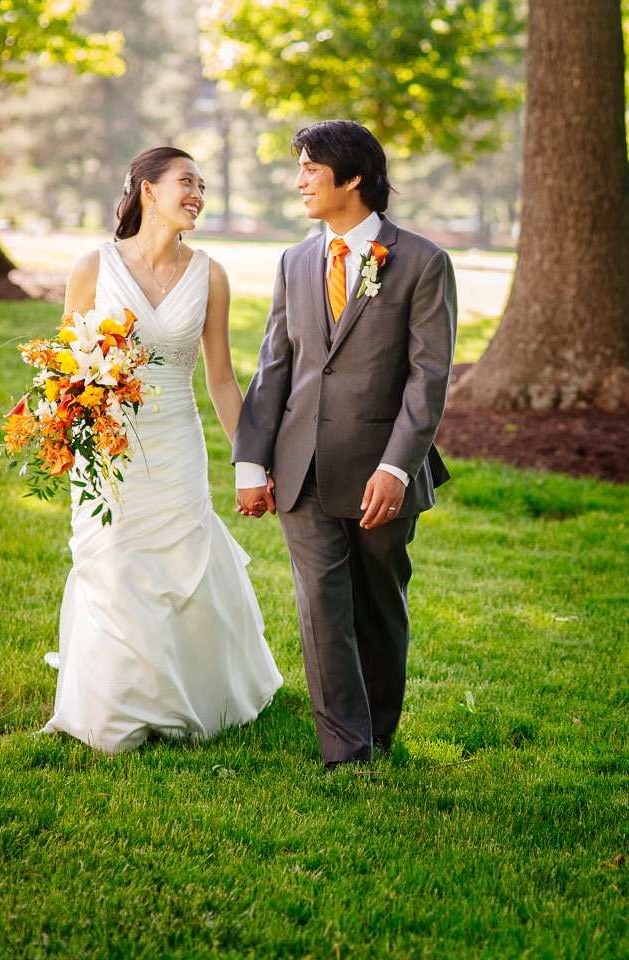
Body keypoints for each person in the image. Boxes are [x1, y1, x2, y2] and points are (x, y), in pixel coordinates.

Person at [41, 146, 283, 753]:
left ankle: (191, 695)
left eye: (203, 185)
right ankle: (115, 705)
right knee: (115, 561)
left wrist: (251, 462)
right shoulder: (93, 267)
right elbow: (66, 365)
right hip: (109, 443)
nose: (198, 193)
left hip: (176, 444)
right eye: (186, 182)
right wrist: (69, 428)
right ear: (147, 190)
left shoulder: (211, 274)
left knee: (180, 568)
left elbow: (222, 379)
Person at [233, 120, 456, 768]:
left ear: (352, 177)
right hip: (300, 468)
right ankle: (346, 750)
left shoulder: (421, 261)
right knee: (322, 609)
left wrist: (396, 466)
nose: (299, 180)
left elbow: (428, 377)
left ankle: (381, 730)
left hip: (382, 471)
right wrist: (252, 460)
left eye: (310, 167)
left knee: (380, 607)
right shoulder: (295, 260)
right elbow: (274, 365)